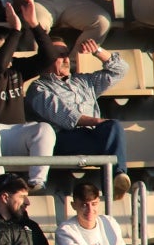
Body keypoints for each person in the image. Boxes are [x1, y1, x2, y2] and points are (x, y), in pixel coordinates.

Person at [0, 0, 56, 188]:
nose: (13, 49)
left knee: (44, 129)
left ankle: (37, 180)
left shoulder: (17, 68)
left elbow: (50, 57)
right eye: (9, 45)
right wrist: (15, 30)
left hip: (14, 135)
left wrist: (34, 25)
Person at [29, 36, 131, 192]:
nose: (65, 59)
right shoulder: (38, 88)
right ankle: (113, 186)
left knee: (114, 128)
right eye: (59, 55)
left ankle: (117, 179)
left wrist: (97, 51)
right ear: (46, 58)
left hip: (90, 137)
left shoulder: (83, 81)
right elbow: (66, 116)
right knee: (110, 140)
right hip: (62, 138)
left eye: (66, 54)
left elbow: (121, 70)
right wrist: (98, 122)